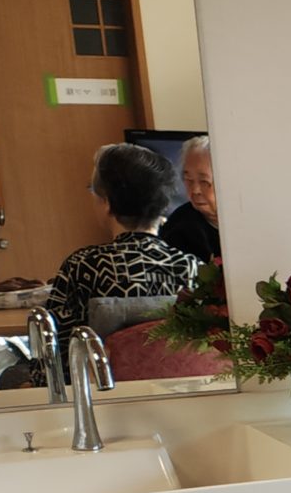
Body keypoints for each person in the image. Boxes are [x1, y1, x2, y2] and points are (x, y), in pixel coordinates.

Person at [43, 142, 199, 345]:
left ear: (107, 202)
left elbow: (56, 346)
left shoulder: (82, 266)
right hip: (178, 366)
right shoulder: (190, 266)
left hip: (103, 366)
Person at [160, 135, 223, 263]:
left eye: (204, 181)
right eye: (188, 180)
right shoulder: (178, 228)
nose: (195, 190)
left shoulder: (252, 218)